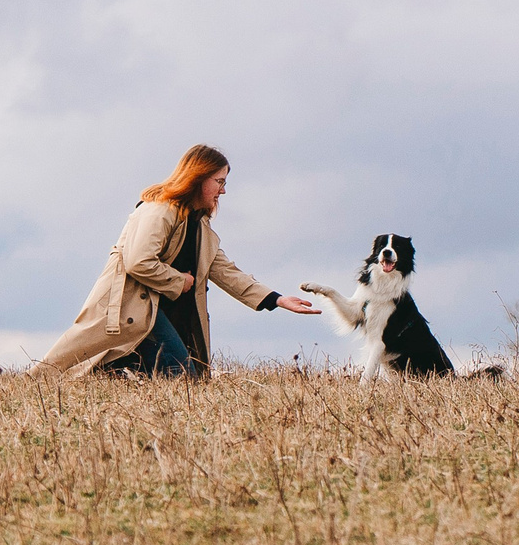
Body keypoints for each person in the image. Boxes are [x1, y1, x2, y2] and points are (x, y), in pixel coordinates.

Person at [36, 143, 320, 376]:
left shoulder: (200, 227)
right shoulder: (158, 210)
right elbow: (138, 260)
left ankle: (114, 374)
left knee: (182, 382)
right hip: (133, 310)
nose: (224, 190)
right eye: (219, 181)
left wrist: (276, 299)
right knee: (183, 379)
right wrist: (179, 281)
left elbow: (225, 271)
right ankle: (105, 373)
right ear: (198, 178)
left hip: (162, 314)